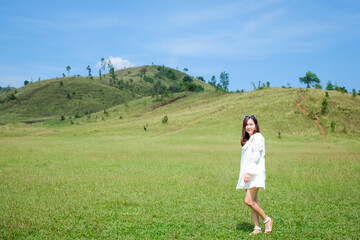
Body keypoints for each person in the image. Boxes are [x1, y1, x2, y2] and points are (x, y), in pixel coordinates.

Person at [236, 115, 273, 235]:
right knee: (253, 201)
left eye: (251, 124)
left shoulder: (258, 137)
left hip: (254, 174)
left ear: (256, 125)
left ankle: (267, 219)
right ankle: (257, 227)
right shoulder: (249, 140)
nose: (248, 127)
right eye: (246, 125)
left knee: (248, 200)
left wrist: (248, 172)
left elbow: (256, 156)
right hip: (248, 174)